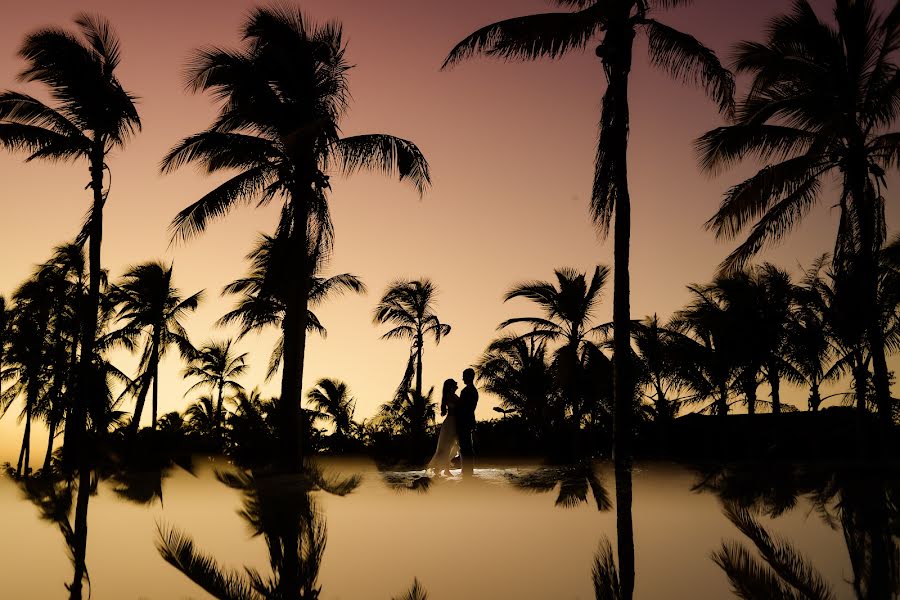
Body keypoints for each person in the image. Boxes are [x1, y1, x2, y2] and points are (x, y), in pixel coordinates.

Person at [427, 379, 460, 476]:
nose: (456, 386)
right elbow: (455, 407)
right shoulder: (449, 396)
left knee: (449, 446)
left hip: (453, 422)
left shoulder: (451, 396)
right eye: (454, 385)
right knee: (446, 446)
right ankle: (444, 469)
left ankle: (444, 469)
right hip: (451, 422)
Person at [457, 368, 479, 477]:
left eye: (464, 376)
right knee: (467, 446)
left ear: (468, 377)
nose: (462, 379)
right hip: (469, 420)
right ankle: (468, 469)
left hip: (464, 421)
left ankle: (466, 470)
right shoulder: (474, 391)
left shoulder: (466, 391)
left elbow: (463, 408)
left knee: (465, 446)